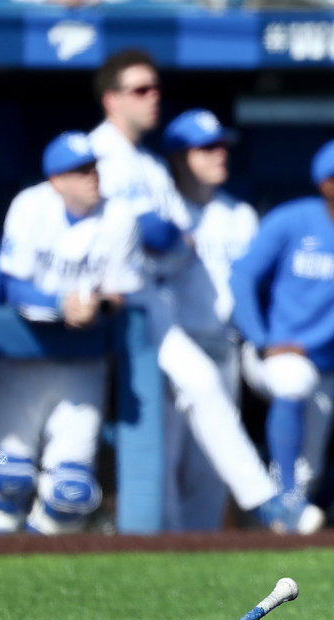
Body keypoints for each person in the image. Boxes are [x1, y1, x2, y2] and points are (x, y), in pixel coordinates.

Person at [90, 50, 301, 533]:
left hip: (182, 320)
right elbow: (160, 237)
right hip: (131, 311)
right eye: (140, 90)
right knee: (155, 458)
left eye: (155, 88)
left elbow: (171, 243)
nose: (152, 98)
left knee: (201, 472)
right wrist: (167, 237)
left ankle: (232, 530)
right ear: (111, 98)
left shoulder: (151, 168)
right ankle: (264, 502)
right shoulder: (102, 153)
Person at [0, 133, 142, 534]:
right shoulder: (31, 206)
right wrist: (59, 304)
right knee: (7, 478)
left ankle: (37, 578)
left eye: (94, 168)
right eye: (80, 171)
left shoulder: (120, 216)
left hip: (83, 362)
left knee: (71, 491)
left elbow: (118, 294)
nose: (91, 177)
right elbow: (11, 287)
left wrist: (95, 306)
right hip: (25, 358)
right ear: (55, 180)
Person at [231, 136, 334, 522]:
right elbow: (242, 278)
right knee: (292, 381)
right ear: (327, 184)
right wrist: (261, 340)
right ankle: (286, 497)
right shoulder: (292, 219)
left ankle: (281, 519)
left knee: (308, 471)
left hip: (328, 364)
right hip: (275, 352)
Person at [160, 109, 265, 531]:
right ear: (179, 157)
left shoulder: (239, 216)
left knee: (210, 476)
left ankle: (196, 578)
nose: (219, 154)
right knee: (161, 471)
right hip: (170, 353)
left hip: (223, 351)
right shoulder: (162, 214)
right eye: (206, 148)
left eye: (221, 146)